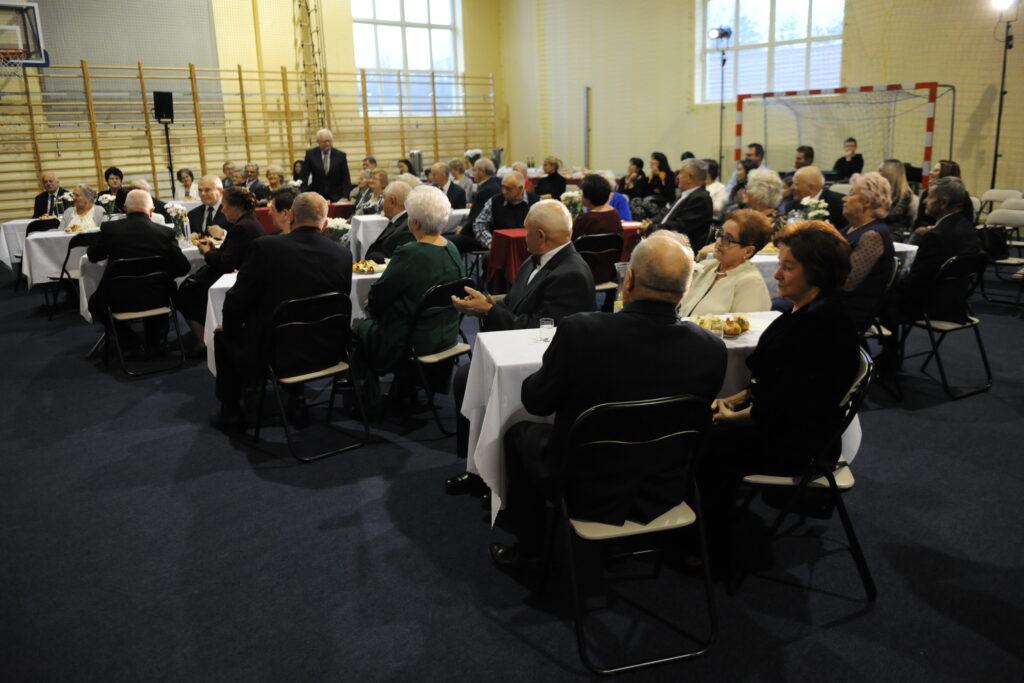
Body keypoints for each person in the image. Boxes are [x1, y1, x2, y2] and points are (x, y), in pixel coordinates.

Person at [490, 232, 728, 566]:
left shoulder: (582, 331)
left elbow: (537, 402)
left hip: (583, 487)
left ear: (628, 279)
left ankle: (529, 550)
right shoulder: (712, 348)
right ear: (686, 289)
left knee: (518, 434)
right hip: (664, 487)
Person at [703, 221, 859, 570]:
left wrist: (734, 417)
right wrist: (735, 399)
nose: (777, 275)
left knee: (703, 440)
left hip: (798, 444)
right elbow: (774, 384)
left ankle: (711, 552)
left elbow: (791, 405)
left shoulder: (822, 324)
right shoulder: (804, 311)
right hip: (785, 424)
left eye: (788, 267)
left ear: (817, 272)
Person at [447, 200, 597, 494]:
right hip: (515, 350)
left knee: (467, 377)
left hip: (542, 364)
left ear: (540, 235)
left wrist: (489, 312)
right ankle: (478, 466)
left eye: (526, 229)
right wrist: (488, 303)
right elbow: (516, 304)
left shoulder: (571, 273)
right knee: (466, 377)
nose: (522, 234)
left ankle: (492, 474)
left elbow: (544, 330)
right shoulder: (535, 260)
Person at [209, 192, 353, 432]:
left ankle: (231, 412)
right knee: (297, 324)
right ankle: (298, 399)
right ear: (325, 221)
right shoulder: (343, 254)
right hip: (329, 348)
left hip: (275, 351)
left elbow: (237, 300)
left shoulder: (266, 248)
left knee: (223, 335)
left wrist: (232, 328)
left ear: (292, 215)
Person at [351, 185, 466, 409]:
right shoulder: (452, 248)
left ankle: (365, 403)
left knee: (358, 327)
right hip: (447, 334)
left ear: (414, 222)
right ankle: (404, 390)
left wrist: (371, 304)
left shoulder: (411, 252)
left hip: (412, 340)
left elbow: (378, 295)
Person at [879, 177, 983, 368]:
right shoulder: (968, 228)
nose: (925, 201)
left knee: (880, 297)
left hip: (932, 306)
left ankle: (888, 357)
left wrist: (887, 284)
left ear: (943, 203)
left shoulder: (936, 236)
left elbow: (916, 282)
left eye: (930, 197)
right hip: (957, 303)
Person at [86, 189, 192, 354]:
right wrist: (161, 273)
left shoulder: (110, 229)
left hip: (118, 298)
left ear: (125, 209)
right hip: (158, 297)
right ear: (151, 211)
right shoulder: (165, 233)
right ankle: (154, 342)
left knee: (95, 304)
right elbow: (183, 267)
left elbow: (93, 256)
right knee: (162, 288)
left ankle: (130, 342)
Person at [176, 186, 266, 356]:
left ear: (234, 207)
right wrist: (213, 250)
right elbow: (231, 254)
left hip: (235, 279)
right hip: (243, 275)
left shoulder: (241, 228)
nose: (222, 210)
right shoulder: (250, 222)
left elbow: (226, 263)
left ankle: (204, 341)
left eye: (224, 206)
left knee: (184, 293)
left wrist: (207, 253)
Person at [678, 209, 772, 318]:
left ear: (748, 251)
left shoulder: (751, 283)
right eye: (720, 234)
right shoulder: (707, 266)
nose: (718, 242)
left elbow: (745, 326)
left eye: (728, 239)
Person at [840, 172, 896, 332]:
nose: (844, 199)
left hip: (848, 311)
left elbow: (847, 283)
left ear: (867, 202)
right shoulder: (851, 228)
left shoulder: (872, 236)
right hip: (833, 302)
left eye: (851, 194)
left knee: (784, 308)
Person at [458, 171, 538, 252]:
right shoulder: (494, 201)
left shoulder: (536, 203)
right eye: (502, 187)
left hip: (530, 248)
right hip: (501, 248)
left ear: (520, 188)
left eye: (508, 189)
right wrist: (490, 242)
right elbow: (479, 224)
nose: (504, 191)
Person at [642, 158, 714, 249]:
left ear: (690, 177)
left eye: (680, 173)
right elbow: (666, 213)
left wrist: (651, 228)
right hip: (665, 241)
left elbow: (678, 227)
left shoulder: (700, 198)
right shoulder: (687, 194)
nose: (677, 177)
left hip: (679, 249)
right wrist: (651, 222)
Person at [913, 160, 974, 229]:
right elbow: (919, 222)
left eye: (936, 170)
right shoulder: (926, 194)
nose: (930, 173)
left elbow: (967, 225)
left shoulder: (963, 197)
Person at [364, 181, 414, 263]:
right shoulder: (399, 221)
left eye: (384, 198)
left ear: (392, 201)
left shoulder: (407, 227)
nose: (382, 203)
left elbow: (397, 260)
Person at [781, 166, 846, 229]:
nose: (791, 188)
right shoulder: (791, 207)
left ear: (810, 188)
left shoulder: (838, 203)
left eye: (796, 184)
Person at [301, 129, 352, 201]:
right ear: (318, 142)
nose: (327, 144)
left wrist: (345, 196)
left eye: (329, 141)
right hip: (317, 196)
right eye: (324, 142)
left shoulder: (340, 156)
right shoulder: (310, 155)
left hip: (337, 196)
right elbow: (304, 177)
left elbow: (346, 179)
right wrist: (305, 195)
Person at [459, 158, 500, 234]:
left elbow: (476, 217)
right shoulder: (496, 183)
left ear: (482, 172)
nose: (472, 174)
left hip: (482, 232)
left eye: (474, 170)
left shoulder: (486, 190)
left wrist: (462, 230)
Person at [741, 168, 786, 237]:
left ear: (759, 193)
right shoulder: (748, 217)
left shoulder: (775, 223)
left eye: (748, 187)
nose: (745, 191)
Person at [878, 159, 914, 236]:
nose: (877, 173)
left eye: (880, 170)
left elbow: (892, 216)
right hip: (879, 228)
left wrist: (871, 212)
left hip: (894, 232)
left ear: (889, 173)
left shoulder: (905, 194)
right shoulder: (880, 190)